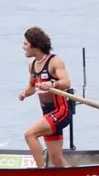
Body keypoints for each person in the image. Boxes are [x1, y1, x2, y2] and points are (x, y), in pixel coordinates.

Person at [19, 27, 74, 168]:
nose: (23, 47)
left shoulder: (55, 61)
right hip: (48, 114)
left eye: (25, 44)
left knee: (29, 134)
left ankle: (41, 171)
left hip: (61, 112)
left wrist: (52, 83)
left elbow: (66, 82)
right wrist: (25, 93)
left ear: (35, 45)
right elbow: (32, 86)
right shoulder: (31, 65)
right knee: (56, 159)